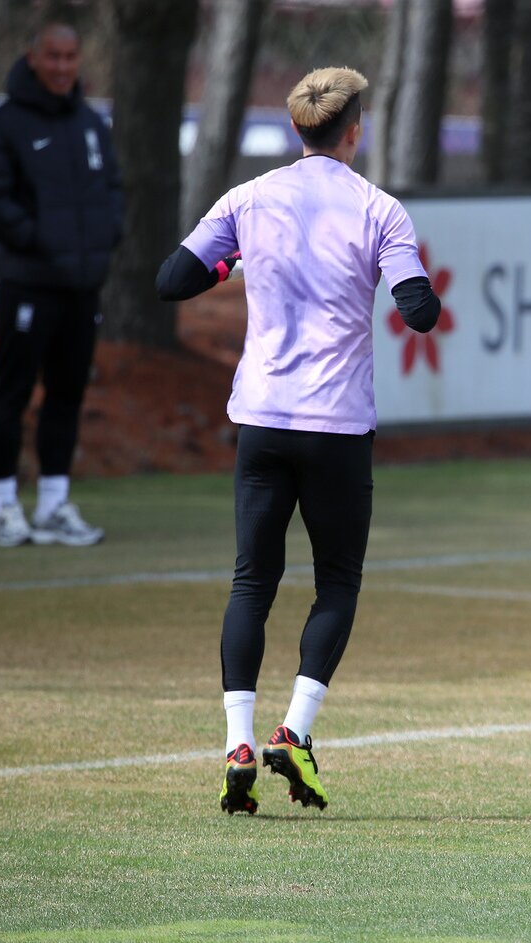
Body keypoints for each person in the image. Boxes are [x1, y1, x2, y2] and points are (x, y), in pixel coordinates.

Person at [156, 67, 441, 815]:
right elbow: (417, 311)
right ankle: (296, 729)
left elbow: (171, 279)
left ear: (297, 129)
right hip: (336, 427)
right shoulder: (380, 209)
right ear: (355, 130)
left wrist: (229, 259)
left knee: (252, 580)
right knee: (336, 581)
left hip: (262, 420)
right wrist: (409, 285)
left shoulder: (248, 199)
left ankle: (238, 741)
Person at [0, 22, 122, 548]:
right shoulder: (3, 126)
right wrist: (40, 241)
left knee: (67, 394)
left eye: (70, 56)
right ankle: (4, 507)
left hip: (81, 289)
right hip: (27, 286)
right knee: (12, 393)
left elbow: (112, 190)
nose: (62, 66)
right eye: (53, 56)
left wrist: (107, 238)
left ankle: (55, 505)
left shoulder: (90, 124)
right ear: (33, 58)